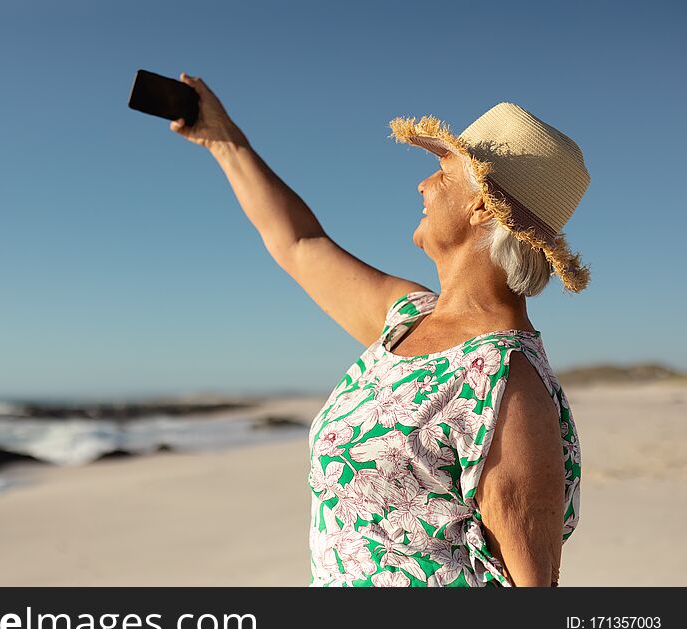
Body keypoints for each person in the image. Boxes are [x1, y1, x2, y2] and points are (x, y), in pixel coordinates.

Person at [170, 73, 584, 587]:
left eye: (442, 170)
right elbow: (300, 244)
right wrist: (223, 139)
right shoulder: (406, 319)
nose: (423, 184)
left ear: (482, 205)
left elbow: (533, 586)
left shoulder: (507, 384)